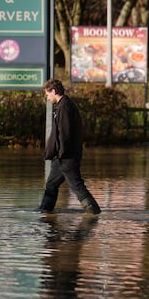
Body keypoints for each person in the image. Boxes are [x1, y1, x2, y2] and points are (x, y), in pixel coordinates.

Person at [37, 78, 101, 214]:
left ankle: (94, 213)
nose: (47, 98)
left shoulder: (65, 107)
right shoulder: (63, 106)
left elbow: (64, 133)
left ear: (53, 91)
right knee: (51, 185)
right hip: (61, 157)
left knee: (77, 186)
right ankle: (44, 211)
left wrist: (61, 153)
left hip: (66, 156)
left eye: (47, 95)